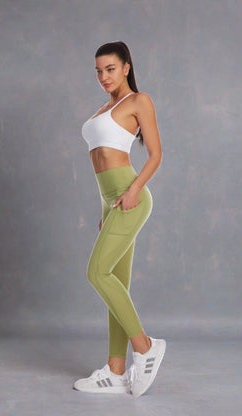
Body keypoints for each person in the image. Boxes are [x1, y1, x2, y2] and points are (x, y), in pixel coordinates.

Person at [74, 41, 166, 397]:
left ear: (127, 67)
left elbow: (156, 155)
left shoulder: (139, 101)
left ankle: (145, 347)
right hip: (109, 201)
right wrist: (106, 207)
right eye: (98, 71)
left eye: (110, 69)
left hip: (130, 197)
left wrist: (133, 191)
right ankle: (115, 371)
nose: (104, 76)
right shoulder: (103, 108)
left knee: (97, 273)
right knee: (117, 284)